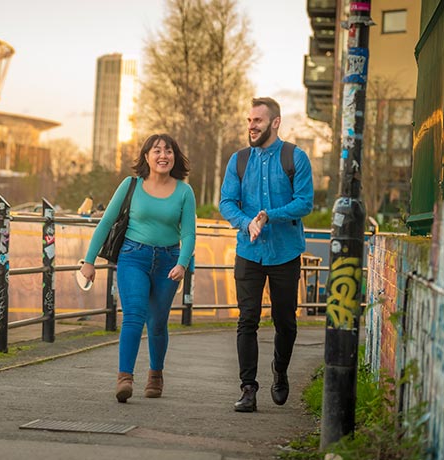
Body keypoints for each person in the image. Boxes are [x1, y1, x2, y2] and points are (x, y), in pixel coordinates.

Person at [79, 133, 196, 403]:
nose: (163, 156)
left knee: (157, 323)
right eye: (156, 151)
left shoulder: (184, 191)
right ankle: (125, 378)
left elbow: (189, 233)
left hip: (169, 262)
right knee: (133, 315)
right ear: (147, 157)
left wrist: (182, 264)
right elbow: (106, 222)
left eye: (168, 151)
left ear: (175, 157)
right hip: (133, 257)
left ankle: (156, 374)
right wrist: (89, 260)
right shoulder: (131, 185)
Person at [219, 97, 314, 412]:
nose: (251, 126)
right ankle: (248, 388)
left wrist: (268, 215)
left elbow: (304, 203)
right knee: (247, 320)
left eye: (257, 120)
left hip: (285, 253)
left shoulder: (295, 158)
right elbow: (227, 202)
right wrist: (247, 223)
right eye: (248, 120)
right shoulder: (239, 160)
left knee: (285, 320)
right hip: (249, 251)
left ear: (275, 122)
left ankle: (281, 370)